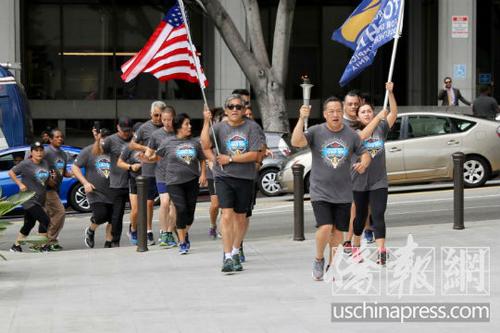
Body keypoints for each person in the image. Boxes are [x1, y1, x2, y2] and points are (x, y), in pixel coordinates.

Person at [291, 96, 372, 281]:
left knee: (337, 232)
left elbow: (365, 153)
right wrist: (302, 118)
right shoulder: (316, 131)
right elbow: (297, 141)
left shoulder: (351, 135)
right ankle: (319, 259)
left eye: (338, 111)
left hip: (343, 192)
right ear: (325, 114)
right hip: (320, 190)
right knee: (326, 226)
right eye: (331, 111)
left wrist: (364, 163)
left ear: (342, 112)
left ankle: (333, 266)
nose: (335, 115)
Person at [201, 94, 261, 273]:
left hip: (245, 177)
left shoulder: (252, 127)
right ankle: (227, 256)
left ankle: (236, 251)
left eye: (238, 107)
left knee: (241, 217)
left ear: (243, 110)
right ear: (226, 110)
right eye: (231, 106)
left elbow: (255, 154)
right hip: (223, 177)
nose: (235, 109)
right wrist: (206, 122)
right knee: (226, 214)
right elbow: (205, 145)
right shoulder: (218, 127)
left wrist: (230, 159)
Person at [351, 82, 398, 265]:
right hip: (359, 181)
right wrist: (377, 118)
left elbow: (393, 113)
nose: (367, 114)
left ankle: (381, 251)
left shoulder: (381, 129)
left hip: (379, 181)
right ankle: (355, 245)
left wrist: (390, 93)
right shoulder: (353, 131)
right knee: (361, 217)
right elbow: (361, 138)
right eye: (363, 112)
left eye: (369, 111)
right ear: (358, 116)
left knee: (378, 215)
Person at [156, 113, 206, 254]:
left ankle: (184, 232)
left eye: (189, 124)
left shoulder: (195, 143)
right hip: (173, 182)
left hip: (191, 181)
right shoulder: (167, 142)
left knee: (190, 215)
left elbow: (202, 159)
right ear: (179, 127)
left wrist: (203, 174)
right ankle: (182, 242)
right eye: (186, 124)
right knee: (181, 209)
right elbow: (157, 157)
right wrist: (145, 158)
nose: (189, 126)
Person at [129, 101, 165, 245]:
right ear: (151, 114)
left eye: (160, 115)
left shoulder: (167, 126)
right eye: (155, 115)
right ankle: (148, 230)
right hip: (149, 170)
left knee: (166, 202)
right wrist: (147, 147)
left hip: (165, 168)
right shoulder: (144, 128)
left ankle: (166, 230)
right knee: (149, 203)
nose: (158, 118)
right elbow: (132, 144)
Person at [72, 128, 114, 248]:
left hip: (112, 191)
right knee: (101, 215)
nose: (105, 141)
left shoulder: (113, 151)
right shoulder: (88, 151)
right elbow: (75, 168)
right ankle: (90, 230)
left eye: (108, 139)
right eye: (103, 138)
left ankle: (108, 243)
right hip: (95, 192)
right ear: (98, 138)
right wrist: (85, 183)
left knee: (112, 219)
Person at [9, 142, 51, 252]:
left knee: (29, 224)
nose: (39, 152)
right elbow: (11, 173)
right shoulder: (25, 164)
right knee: (45, 220)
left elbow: (46, 180)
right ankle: (42, 246)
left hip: (40, 199)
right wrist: (20, 184)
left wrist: (52, 179)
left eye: (41, 150)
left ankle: (16, 246)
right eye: (36, 150)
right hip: (29, 199)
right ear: (31, 152)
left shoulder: (45, 163)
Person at [146, 106, 177, 247]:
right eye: (163, 119)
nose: (166, 122)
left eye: (169, 119)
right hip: (162, 173)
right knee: (164, 202)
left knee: (175, 205)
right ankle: (163, 232)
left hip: (177, 174)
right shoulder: (156, 135)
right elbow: (149, 152)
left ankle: (170, 232)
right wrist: (147, 156)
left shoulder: (179, 132)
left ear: (174, 119)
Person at [102, 117, 133, 247]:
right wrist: (98, 140)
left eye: (128, 131)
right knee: (117, 215)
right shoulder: (111, 140)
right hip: (118, 183)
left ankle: (136, 233)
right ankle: (115, 240)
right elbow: (99, 152)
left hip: (135, 182)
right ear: (118, 128)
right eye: (123, 130)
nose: (126, 133)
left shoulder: (135, 138)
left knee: (138, 211)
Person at [43, 128, 71, 251]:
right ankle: (49, 241)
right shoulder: (46, 152)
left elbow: (63, 172)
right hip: (46, 189)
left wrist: (74, 174)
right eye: (57, 137)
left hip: (56, 188)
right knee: (60, 213)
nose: (60, 139)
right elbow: (36, 165)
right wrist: (47, 178)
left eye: (61, 137)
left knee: (50, 216)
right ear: (50, 139)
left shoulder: (63, 154)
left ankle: (49, 242)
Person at [117, 122, 143, 245]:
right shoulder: (129, 147)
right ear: (134, 133)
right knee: (136, 210)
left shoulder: (149, 145)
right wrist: (131, 166)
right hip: (134, 180)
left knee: (147, 208)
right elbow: (119, 163)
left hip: (148, 179)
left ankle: (146, 232)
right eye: (139, 133)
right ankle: (133, 230)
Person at [206, 107, 225, 239]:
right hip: (213, 171)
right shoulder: (210, 133)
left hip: (226, 171)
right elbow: (206, 151)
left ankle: (224, 228)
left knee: (225, 204)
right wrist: (212, 165)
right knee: (215, 204)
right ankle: (213, 225)